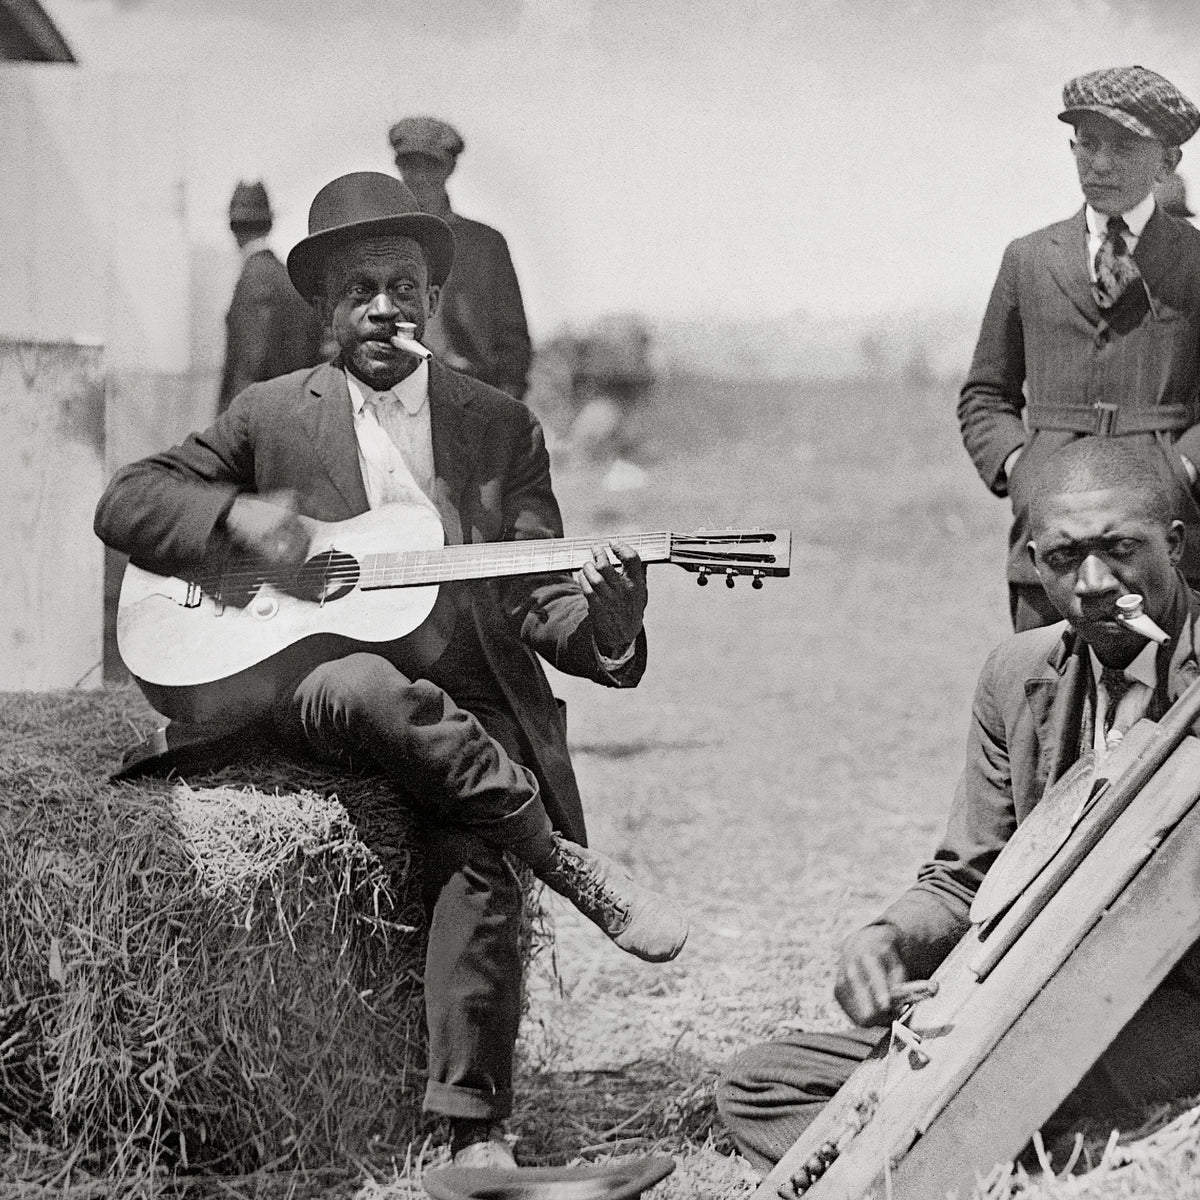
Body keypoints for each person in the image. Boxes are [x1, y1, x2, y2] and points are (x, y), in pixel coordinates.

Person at [95, 171, 687, 1168]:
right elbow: (125, 503)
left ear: (431, 299)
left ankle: (473, 1139)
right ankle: (571, 866)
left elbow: (537, 599)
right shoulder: (271, 415)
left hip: (456, 703)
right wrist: (238, 517)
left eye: (403, 286)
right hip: (297, 684)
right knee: (372, 687)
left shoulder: (498, 427)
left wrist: (611, 615)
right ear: (325, 308)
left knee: (476, 816)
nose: (382, 308)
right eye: (358, 288)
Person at [717, 438, 1200, 1173]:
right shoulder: (1017, 675)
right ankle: (1023, 1151)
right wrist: (887, 939)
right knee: (758, 1087)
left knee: (1004, 1068)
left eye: (1121, 549)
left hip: (1173, 1003)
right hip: (1024, 997)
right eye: (1065, 559)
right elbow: (970, 875)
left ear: (1175, 544)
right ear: (1035, 563)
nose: (1095, 582)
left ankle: (996, 1146)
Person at [958, 66, 1200, 633]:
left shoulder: (1196, 260)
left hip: (1165, 532)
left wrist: (1182, 468)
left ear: (1167, 162)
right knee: (1047, 697)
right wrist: (1024, 470)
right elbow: (985, 395)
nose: (1101, 163)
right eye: (1087, 144)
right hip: (1053, 536)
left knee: (1172, 699)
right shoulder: (1029, 258)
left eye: (1123, 146)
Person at [388, 116, 532, 400]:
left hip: (468, 397)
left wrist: (503, 411)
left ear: (449, 168)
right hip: (391, 396)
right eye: (410, 165)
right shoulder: (378, 241)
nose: (419, 177)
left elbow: (513, 342)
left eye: (430, 166)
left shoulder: (484, 244)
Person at [216, 180, 325, 414]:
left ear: (232, 228)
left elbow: (250, 365)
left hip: (260, 420)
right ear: (270, 224)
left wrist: (230, 430)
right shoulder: (289, 278)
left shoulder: (253, 279)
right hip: (297, 412)